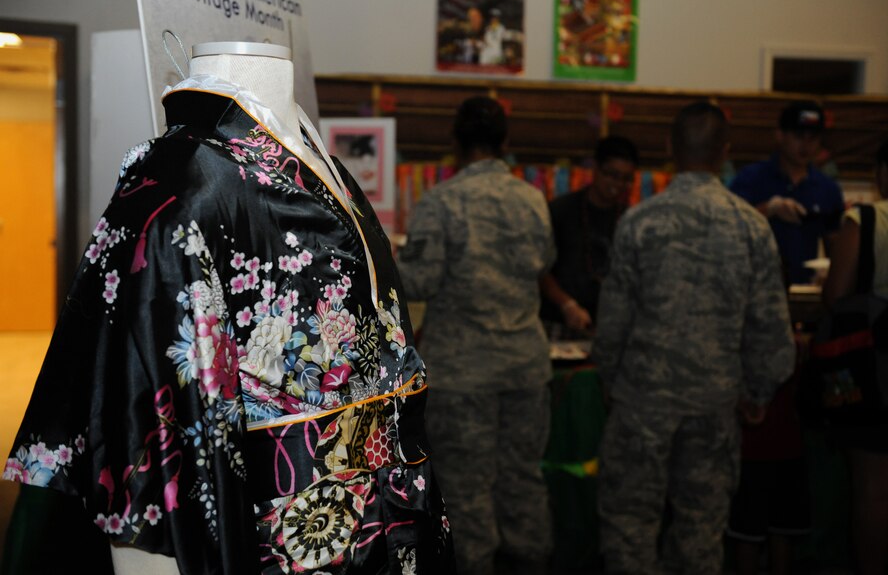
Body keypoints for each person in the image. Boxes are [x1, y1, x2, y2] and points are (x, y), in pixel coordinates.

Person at [3, 41, 454, 574]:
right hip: (294, 527)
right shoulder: (187, 179)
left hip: (383, 508)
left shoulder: (317, 161)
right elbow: (149, 406)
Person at [594, 101, 796, 574]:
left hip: (642, 403)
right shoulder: (751, 226)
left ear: (669, 149)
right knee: (701, 531)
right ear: (725, 153)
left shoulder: (639, 222)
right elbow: (770, 328)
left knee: (629, 526)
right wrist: (759, 390)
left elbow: (613, 320)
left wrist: (609, 377)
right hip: (714, 404)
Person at [396, 96, 555, 575]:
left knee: (466, 493)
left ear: (455, 144)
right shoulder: (533, 199)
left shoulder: (442, 202)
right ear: (505, 143)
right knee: (523, 482)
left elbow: (419, 281)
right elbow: (544, 262)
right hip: (526, 369)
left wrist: (389, 259)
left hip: (465, 375)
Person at [822, 140, 888, 575]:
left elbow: (835, 295)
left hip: (877, 366)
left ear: (881, 171)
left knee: (872, 485)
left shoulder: (865, 218)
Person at [730, 100, 845, 285]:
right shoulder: (751, 179)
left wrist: (830, 274)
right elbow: (729, 229)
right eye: (799, 136)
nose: (806, 145)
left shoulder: (827, 188)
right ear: (780, 135)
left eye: (813, 138)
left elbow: (835, 245)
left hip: (804, 287)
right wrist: (769, 209)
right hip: (753, 287)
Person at [539, 135, 638, 332]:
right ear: (595, 169)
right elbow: (540, 269)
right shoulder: (560, 210)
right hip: (560, 321)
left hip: (610, 327)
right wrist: (567, 304)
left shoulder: (632, 219)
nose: (617, 184)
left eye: (626, 179)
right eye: (611, 174)